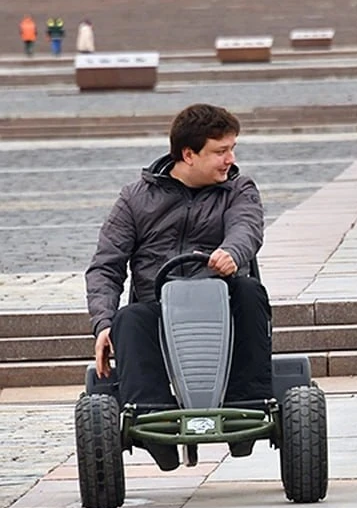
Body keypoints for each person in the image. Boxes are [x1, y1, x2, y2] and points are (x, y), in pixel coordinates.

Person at [86, 103, 273, 472]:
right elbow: (105, 267)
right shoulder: (135, 199)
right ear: (188, 154)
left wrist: (232, 252)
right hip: (160, 310)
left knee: (252, 294)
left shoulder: (238, 189)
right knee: (128, 319)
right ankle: (153, 418)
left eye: (232, 149)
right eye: (220, 151)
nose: (230, 159)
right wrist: (103, 323)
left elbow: (247, 227)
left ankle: (248, 407)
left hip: (223, 305)